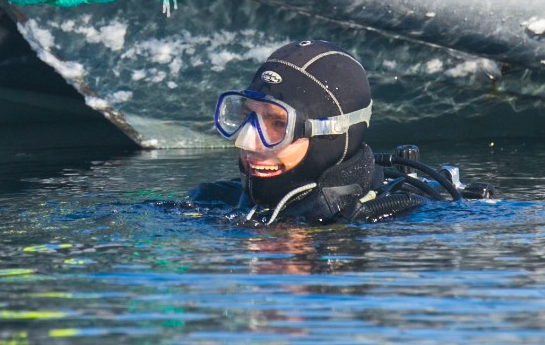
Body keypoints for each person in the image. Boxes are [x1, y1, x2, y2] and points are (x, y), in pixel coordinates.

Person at [188, 40, 493, 225]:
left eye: (278, 124)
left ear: (329, 134)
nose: (248, 142)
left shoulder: (391, 216)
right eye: (246, 117)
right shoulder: (218, 201)